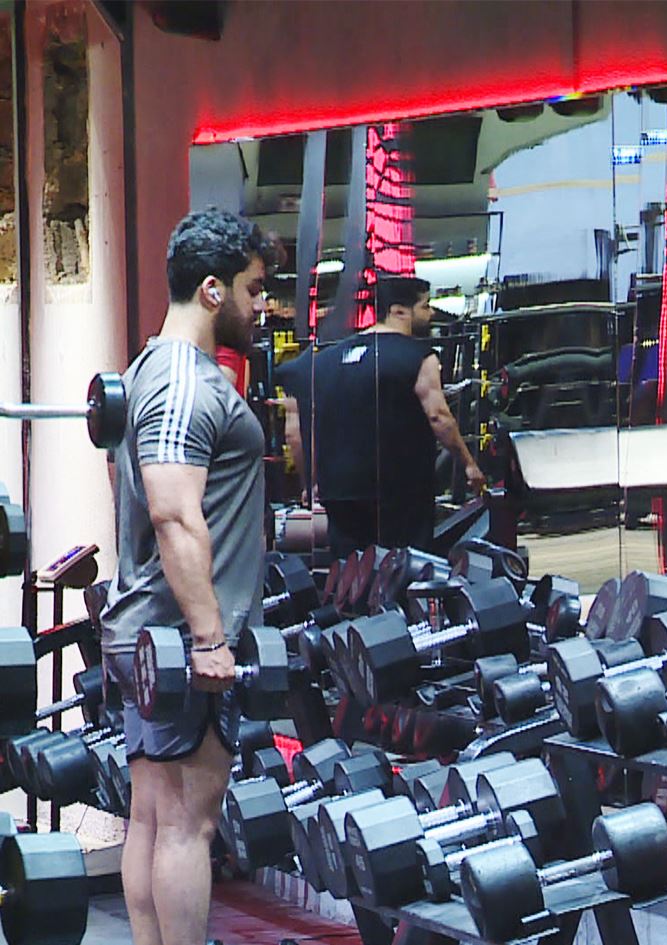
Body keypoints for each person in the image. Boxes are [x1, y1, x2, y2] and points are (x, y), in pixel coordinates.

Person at [100, 208, 280, 945]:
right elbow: (174, 513)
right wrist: (209, 637)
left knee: (151, 816)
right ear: (212, 290)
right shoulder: (182, 381)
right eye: (253, 288)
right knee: (185, 823)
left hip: (150, 629)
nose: (263, 305)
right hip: (179, 636)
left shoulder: (147, 369)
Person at [278, 276, 483, 555]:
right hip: (399, 492)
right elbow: (438, 416)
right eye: (425, 306)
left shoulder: (324, 361)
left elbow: (298, 431)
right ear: (398, 311)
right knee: (403, 569)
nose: (431, 314)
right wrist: (468, 464)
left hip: (339, 492)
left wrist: (310, 481)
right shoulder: (419, 356)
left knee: (350, 570)